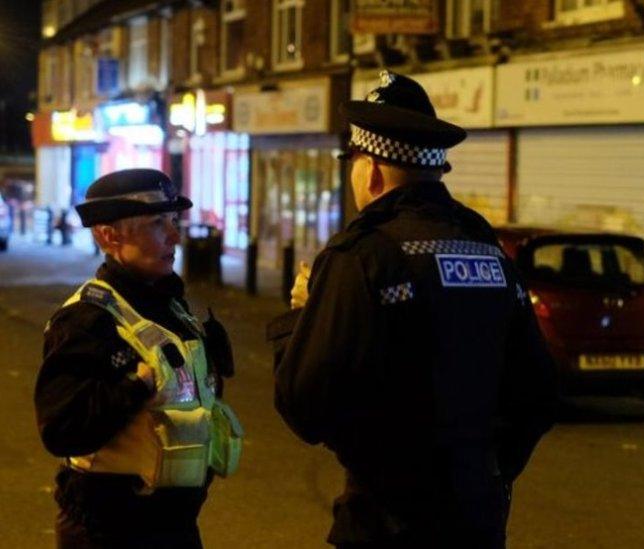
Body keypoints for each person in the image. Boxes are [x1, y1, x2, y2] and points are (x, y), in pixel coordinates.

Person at [268, 71, 558, 549]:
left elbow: (304, 404)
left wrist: (301, 318)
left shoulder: (362, 256)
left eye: (354, 161)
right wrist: (486, 471)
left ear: (373, 171)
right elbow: (538, 392)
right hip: (477, 517)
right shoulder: (483, 244)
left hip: (387, 522)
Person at [34, 168, 243, 548]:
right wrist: (132, 390)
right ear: (109, 235)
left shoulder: (172, 308)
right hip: (107, 531)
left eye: (174, 221)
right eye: (156, 223)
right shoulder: (86, 320)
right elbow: (61, 429)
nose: (175, 237)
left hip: (175, 525)